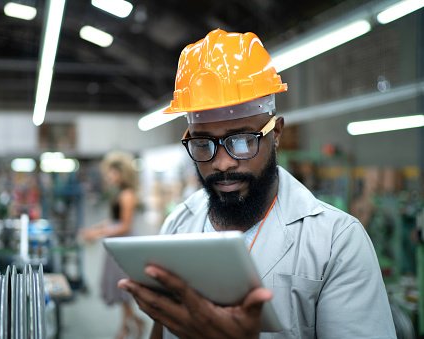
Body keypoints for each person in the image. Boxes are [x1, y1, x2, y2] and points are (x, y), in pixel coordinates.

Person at [118, 29, 397, 338]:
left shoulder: (336, 242)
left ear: (275, 133)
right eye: (202, 143)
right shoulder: (179, 224)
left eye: (240, 141)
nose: (222, 163)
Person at [81, 151, 145, 339]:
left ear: (122, 173)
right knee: (121, 288)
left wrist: (98, 233)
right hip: (117, 243)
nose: (109, 176)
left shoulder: (127, 195)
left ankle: (125, 329)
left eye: (112, 172)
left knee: (124, 288)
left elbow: (125, 225)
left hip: (125, 245)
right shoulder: (119, 194)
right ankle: (134, 323)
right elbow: (113, 220)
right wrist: (95, 228)